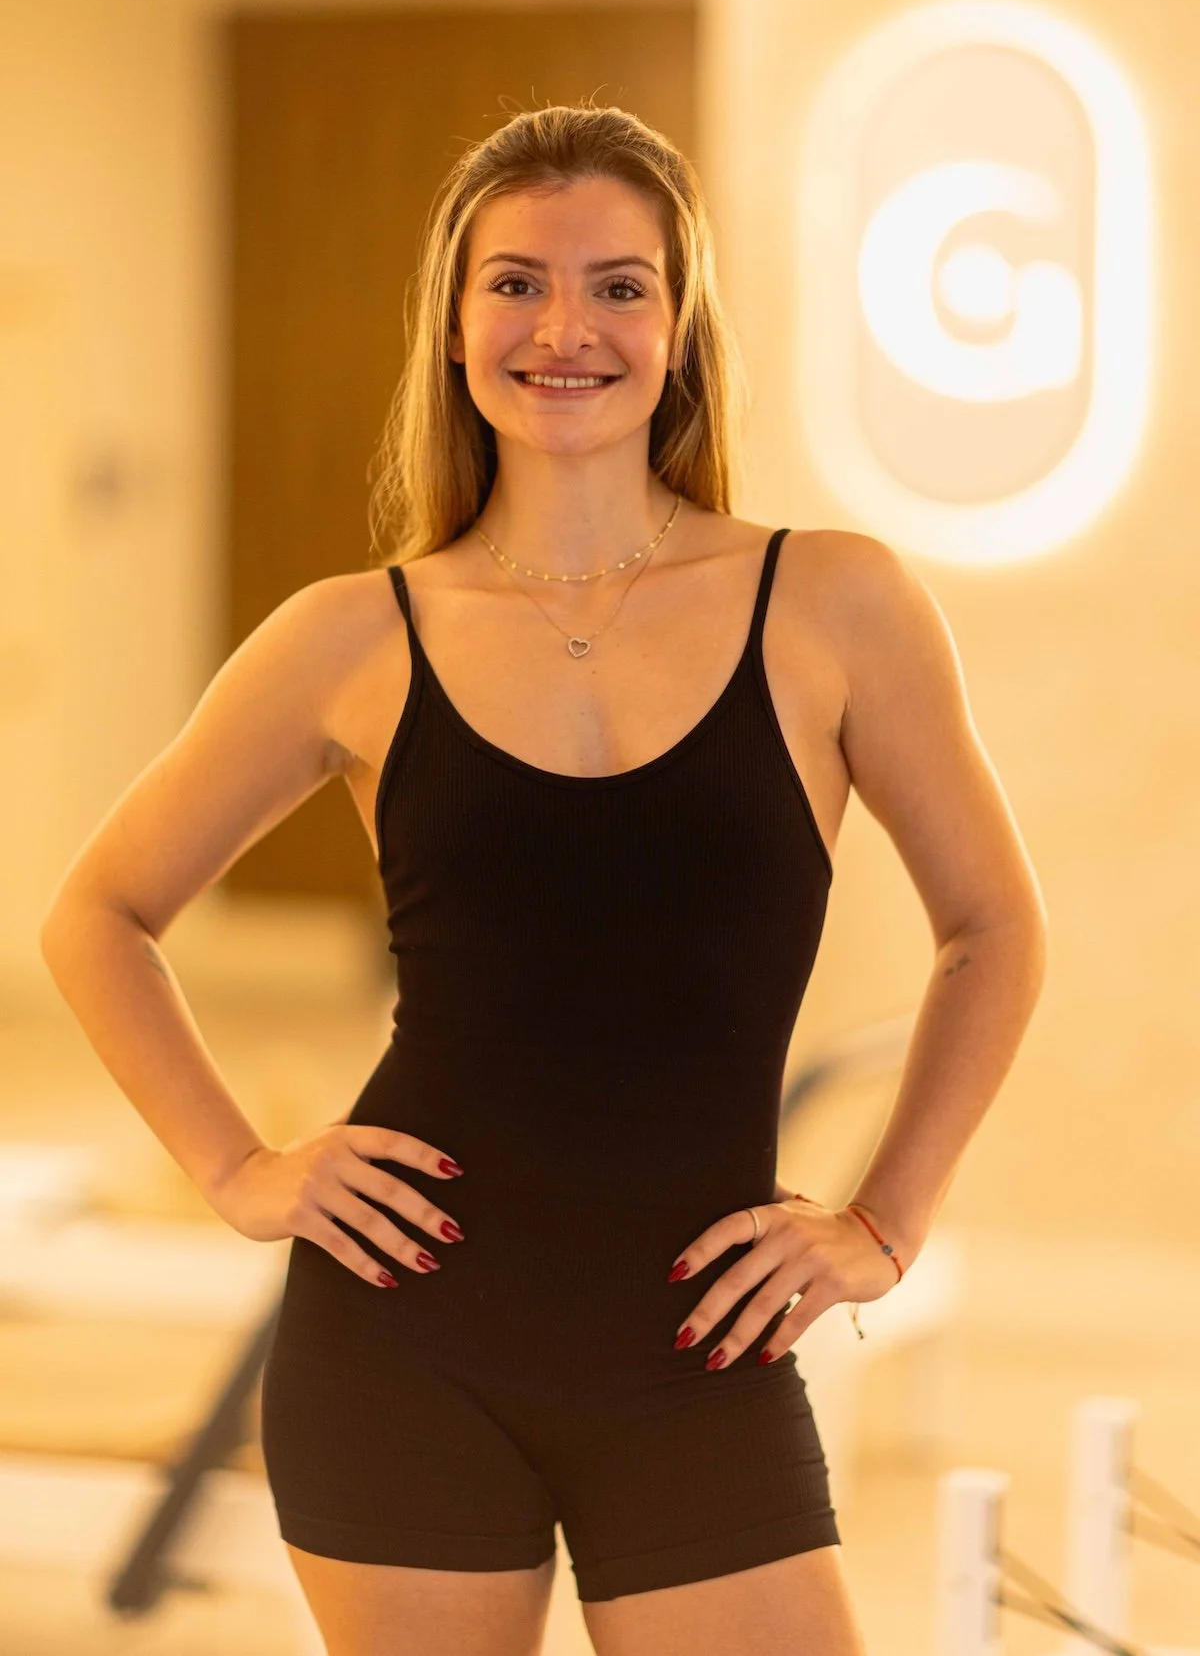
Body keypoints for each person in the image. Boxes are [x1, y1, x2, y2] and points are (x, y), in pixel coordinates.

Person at [39, 103, 1047, 1656]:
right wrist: (240, 1172)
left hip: (700, 1351)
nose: (564, 325)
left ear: (680, 325)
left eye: (619, 285)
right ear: (453, 327)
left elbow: (991, 928)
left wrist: (887, 1223)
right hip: (402, 1345)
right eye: (515, 282)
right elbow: (98, 913)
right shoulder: (351, 634)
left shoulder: (833, 601)